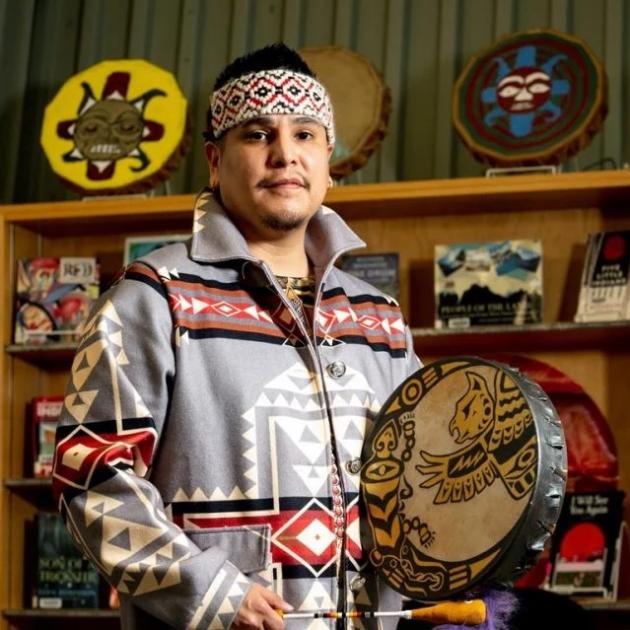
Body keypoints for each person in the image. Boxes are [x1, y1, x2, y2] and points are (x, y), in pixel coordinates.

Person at [52, 43, 420, 629]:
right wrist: (212, 592)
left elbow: (419, 474)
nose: (284, 155)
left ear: (329, 159)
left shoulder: (380, 317)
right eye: (256, 134)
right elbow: (91, 474)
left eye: (304, 135)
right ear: (215, 160)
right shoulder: (152, 298)